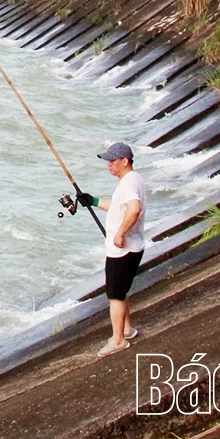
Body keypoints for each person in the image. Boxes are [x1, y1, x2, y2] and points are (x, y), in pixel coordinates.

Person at [79, 142, 148, 357]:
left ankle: (117, 340)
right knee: (121, 291)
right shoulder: (132, 180)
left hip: (123, 250)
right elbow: (121, 207)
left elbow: (134, 209)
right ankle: (126, 330)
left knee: (115, 296)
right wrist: (93, 201)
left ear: (124, 161)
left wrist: (120, 234)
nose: (108, 164)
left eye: (112, 160)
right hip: (132, 247)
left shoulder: (128, 183)